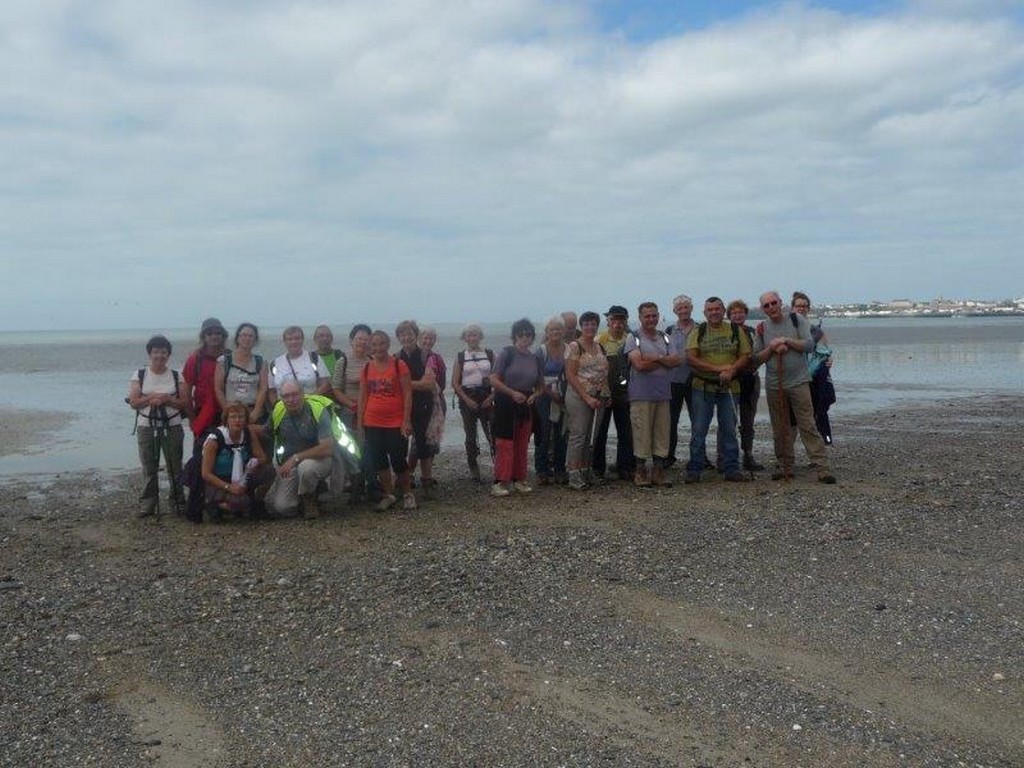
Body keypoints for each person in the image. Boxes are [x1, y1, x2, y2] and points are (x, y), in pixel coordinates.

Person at [751, 291, 837, 484]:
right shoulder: (762, 328)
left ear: (781, 303)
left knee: (807, 424)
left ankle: (822, 467)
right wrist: (772, 348)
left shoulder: (797, 320)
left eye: (774, 303)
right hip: (775, 384)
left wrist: (786, 341)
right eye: (767, 305)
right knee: (780, 428)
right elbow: (756, 358)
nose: (771, 307)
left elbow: (808, 345)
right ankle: (785, 466)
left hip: (799, 381)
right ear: (762, 309)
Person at [684, 297, 752, 484]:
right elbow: (690, 357)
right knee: (699, 430)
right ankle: (695, 468)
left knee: (729, 429)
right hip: (703, 387)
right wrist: (718, 369)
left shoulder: (735, 330)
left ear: (723, 311)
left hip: (730, 387)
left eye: (717, 309)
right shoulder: (699, 331)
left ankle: (731, 468)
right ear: (704, 313)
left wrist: (732, 370)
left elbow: (745, 355)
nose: (713, 312)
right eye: (709, 309)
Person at [128, 335, 188, 518]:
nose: (159, 356)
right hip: (146, 426)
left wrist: (167, 399)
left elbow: (184, 402)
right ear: (149, 353)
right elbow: (134, 401)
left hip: (172, 426)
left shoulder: (177, 375)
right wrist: (152, 398)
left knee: (175, 466)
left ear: (168, 354)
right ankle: (147, 504)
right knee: (149, 466)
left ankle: (177, 502)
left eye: (163, 352)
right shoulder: (139, 375)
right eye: (156, 352)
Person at [358, 330, 415, 511]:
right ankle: (389, 494)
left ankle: (407, 493)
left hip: (395, 421)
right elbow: (362, 398)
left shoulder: (399, 365)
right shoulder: (367, 368)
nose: (378, 348)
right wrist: (360, 424)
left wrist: (406, 420)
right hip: (372, 421)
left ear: (388, 344)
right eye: (374, 345)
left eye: (381, 344)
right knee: (379, 460)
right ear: (370, 347)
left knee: (398, 459)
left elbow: (407, 393)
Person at [625, 302, 680, 486]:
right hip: (641, 394)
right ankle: (640, 472)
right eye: (647, 316)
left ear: (658, 316)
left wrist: (653, 359)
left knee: (662, 433)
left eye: (654, 315)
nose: (651, 319)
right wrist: (663, 360)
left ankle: (658, 472)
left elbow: (676, 361)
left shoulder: (665, 338)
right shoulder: (633, 338)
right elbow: (639, 365)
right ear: (640, 318)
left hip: (663, 394)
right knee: (642, 433)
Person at [489, 318, 544, 497]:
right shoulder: (507, 353)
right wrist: (512, 393)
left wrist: (535, 396)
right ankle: (500, 481)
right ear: (515, 336)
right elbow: (493, 379)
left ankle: (519, 478)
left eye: (528, 334)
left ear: (532, 337)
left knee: (522, 443)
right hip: (506, 401)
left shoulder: (535, 358)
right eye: (521, 334)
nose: (525, 337)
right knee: (505, 443)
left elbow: (540, 386)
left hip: (526, 403)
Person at [266, 380, 336, 518]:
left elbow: (328, 448)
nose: (290, 400)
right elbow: (265, 432)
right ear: (281, 397)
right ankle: (300, 497)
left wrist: (295, 458)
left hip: (319, 459)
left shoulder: (318, 410)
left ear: (303, 394)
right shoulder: (279, 410)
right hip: (290, 462)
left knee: (306, 468)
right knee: (283, 508)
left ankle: (310, 497)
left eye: (295, 395)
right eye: (286, 396)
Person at [200, 402, 271, 521]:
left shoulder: (247, 433)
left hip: (242, 476)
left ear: (246, 419)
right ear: (226, 420)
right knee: (239, 503)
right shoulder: (214, 440)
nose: (237, 420)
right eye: (233, 417)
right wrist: (229, 487)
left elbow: (263, 458)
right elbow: (205, 474)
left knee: (269, 471)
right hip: (218, 480)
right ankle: (214, 504)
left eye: (241, 417)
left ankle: (257, 501)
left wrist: (255, 462)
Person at [563, 311, 610, 490]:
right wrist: (587, 397)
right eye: (586, 324)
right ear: (581, 327)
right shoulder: (575, 347)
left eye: (593, 324)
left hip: (599, 397)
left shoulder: (600, 347)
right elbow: (570, 374)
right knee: (578, 435)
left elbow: (604, 371)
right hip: (578, 396)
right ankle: (573, 474)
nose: (590, 327)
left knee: (592, 436)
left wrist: (607, 394)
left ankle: (585, 469)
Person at [593, 305, 634, 482]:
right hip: (604, 392)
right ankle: (597, 468)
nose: (617, 324)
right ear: (608, 321)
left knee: (625, 431)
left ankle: (624, 467)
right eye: (614, 320)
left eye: (621, 320)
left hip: (625, 392)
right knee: (600, 431)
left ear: (626, 321)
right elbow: (594, 368)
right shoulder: (599, 340)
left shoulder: (631, 339)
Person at [396, 320, 437, 494]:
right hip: (402, 407)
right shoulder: (395, 358)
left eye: (410, 334)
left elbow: (428, 383)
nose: (406, 337)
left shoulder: (427, 356)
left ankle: (426, 480)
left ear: (416, 335)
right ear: (398, 338)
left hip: (423, 405)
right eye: (402, 334)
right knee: (400, 446)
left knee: (424, 445)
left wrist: (404, 384)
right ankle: (404, 480)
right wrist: (415, 384)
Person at [451, 323, 495, 482]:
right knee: (470, 435)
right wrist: (467, 400)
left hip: (486, 395)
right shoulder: (460, 356)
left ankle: (498, 464)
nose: (472, 337)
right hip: (468, 396)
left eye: (475, 334)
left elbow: (497, 379)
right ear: (464, 338)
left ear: (480, 336)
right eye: (469, 335)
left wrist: (491, 398)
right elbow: (455, 383)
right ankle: (473, 466)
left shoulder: (489, 354)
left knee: (492, 432)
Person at [792, 291, 836, 445]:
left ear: (808, 309)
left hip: (812, 379)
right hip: (792, 380)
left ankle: (820, 448)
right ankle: (786, 455)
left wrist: (829, 361)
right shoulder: (787, 329)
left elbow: (825, 353)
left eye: (805, 306)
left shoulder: (817, 331)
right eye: (798, 306)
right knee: (791, 420)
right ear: (792, 308)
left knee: (814, 415)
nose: (802, 309)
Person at [727, 300, 765, 471]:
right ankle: (726, 457)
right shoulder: (725, 332)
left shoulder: (752, 332)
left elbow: (758, 354)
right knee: (728, 420)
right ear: (729, 315)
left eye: (741, 312)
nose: (738, 315)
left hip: (750, 379)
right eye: (734, 313)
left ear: (746, 314)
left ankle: (748, 455)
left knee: (748, 420)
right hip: (732, 380)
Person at [533, 316, 568, 485]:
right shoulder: (541, 351)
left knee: (562, 434)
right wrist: (548, 392)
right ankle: (542, 470)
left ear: (563, 331)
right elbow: (535, 376)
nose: (555, 332)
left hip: (564, 395)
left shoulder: (569, 349)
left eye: (558, 329)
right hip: (543, 396)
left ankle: (560, 469)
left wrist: (563, 395)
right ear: (546, 332)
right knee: (544, 433)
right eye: (552, 329)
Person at [666, 294, 698, 469]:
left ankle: (699, 457)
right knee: (671, 421)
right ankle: (668, 456)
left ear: (691, 308)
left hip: (696, 380)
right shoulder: (669, 331)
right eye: (680, 308)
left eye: (686, 307)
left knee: (697, 420)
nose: (683, 311)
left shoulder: (701, 328)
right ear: (674, 311)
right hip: (674, 380)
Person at [214, 322, 268, 424]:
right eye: (244, 335)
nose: (247, 339)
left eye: (251, 336)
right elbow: (218, 389)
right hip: (232, 412)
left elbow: (263, 389)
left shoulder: (261, 362)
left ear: (255, 339)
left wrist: (255, 413)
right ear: (237, 338)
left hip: (253, 412)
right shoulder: (223, 361)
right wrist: (227, 412)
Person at [183, 317, 228, 438]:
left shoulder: (230, 357)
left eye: (218, 333)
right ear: (203, 337)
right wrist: (192, 419)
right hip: (202, 412)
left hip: (227, 411)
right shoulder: (195, 359)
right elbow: (186, 393)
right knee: (201, 453)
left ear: (223, 336)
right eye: (209, 333)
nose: (214, 336)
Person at [414, 326, 447, 484]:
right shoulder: (413, 357)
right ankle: (408, 475)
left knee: (432, 440)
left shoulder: (437, 358)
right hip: (417, 403)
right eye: (425, 338)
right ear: (419, 339)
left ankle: (427, 474)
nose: (428, 341)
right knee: (416, 441)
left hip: (436, 403)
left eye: (431, 338)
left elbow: (443, 383)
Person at [270, 326, 331, 401]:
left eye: (297, 338)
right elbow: (271, 390)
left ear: (302, 340)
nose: (294, 342)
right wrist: (275, 406)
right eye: (290, 339)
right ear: (284, 341)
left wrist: (309, 400)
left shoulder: (314, 358)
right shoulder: (276, 363)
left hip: (310, 405)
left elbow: (325, 384)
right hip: (284, 406)